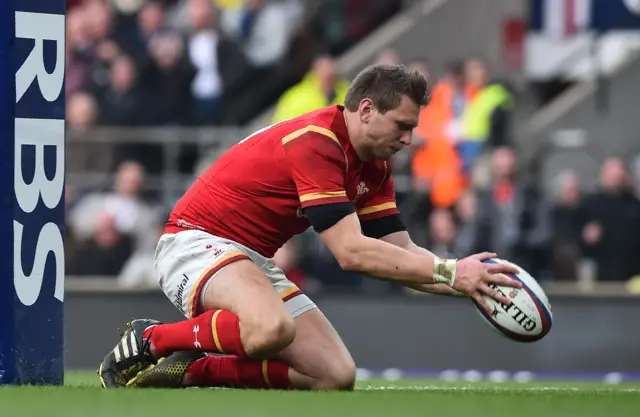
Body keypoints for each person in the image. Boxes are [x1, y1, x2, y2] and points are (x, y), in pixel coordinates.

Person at [97, 64, 520, 391]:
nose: (409, 139)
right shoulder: (318, 141)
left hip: (250, 259)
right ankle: (152, 339)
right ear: (367, 110)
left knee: (333, 375)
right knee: (270, 328)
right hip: (195, 240)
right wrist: (449, 272)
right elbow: (351, 253)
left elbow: (402, 251)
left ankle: (190, 371)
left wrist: (468, 281)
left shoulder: (374, 166)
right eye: (403, 126)